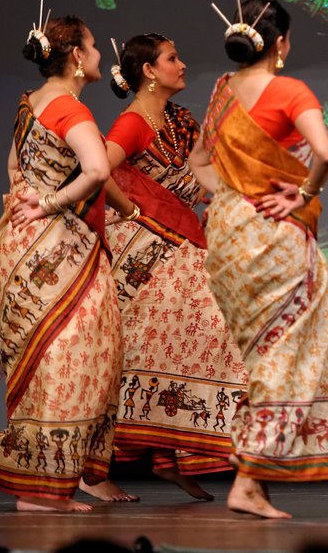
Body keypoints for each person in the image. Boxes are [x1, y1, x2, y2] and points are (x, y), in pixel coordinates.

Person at [189, 0, 328, 519]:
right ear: (281, 43)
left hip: (228, 231)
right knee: (287, 348)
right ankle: (249, 475)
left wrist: (232, 194)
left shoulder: (221, 92)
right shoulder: (290, 90)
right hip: (274, 232)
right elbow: (325, 153)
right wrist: (303, 194)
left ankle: (252, 474)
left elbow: (198, 161)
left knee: (259, 353)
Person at [93, 33, 247, 502]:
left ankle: (168, 459)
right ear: (148, 70)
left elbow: (202, 177)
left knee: (174, 351)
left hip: (181, 244)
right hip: (147, 252)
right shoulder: (132, 124)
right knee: (142, 354)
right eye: (172, 58)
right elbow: (98, 170)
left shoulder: (179, 120)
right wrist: (133, 211)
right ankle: (92, 471)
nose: (182, 65)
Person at [0, 10, 121, 512]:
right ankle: (45, 491)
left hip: (20, 246)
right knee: (75, 356)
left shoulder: (31, 104)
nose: (100, 55)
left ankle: (41, 485)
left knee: (43, 359)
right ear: (78, 56)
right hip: (57, 245)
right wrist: (49, 204)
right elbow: (97, 169)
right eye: (94, 47)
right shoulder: (68, 108)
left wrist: (31, 201)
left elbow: (13, 166)